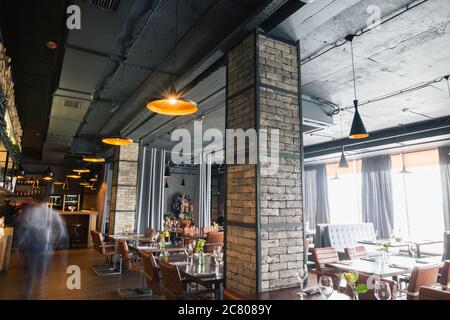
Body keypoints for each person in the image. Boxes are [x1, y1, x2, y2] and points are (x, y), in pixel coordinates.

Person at [15, 195, 68, 299]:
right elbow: (62, 231)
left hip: (32, 246)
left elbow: (23, 229)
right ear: (48, 201)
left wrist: (18, 245)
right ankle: (40, 289)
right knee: (42, 270)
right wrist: (57, 245)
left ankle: (28, 292)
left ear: (36, 200)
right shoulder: (53, 213)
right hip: (46, 246)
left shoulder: (30, 213)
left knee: (31, 270)